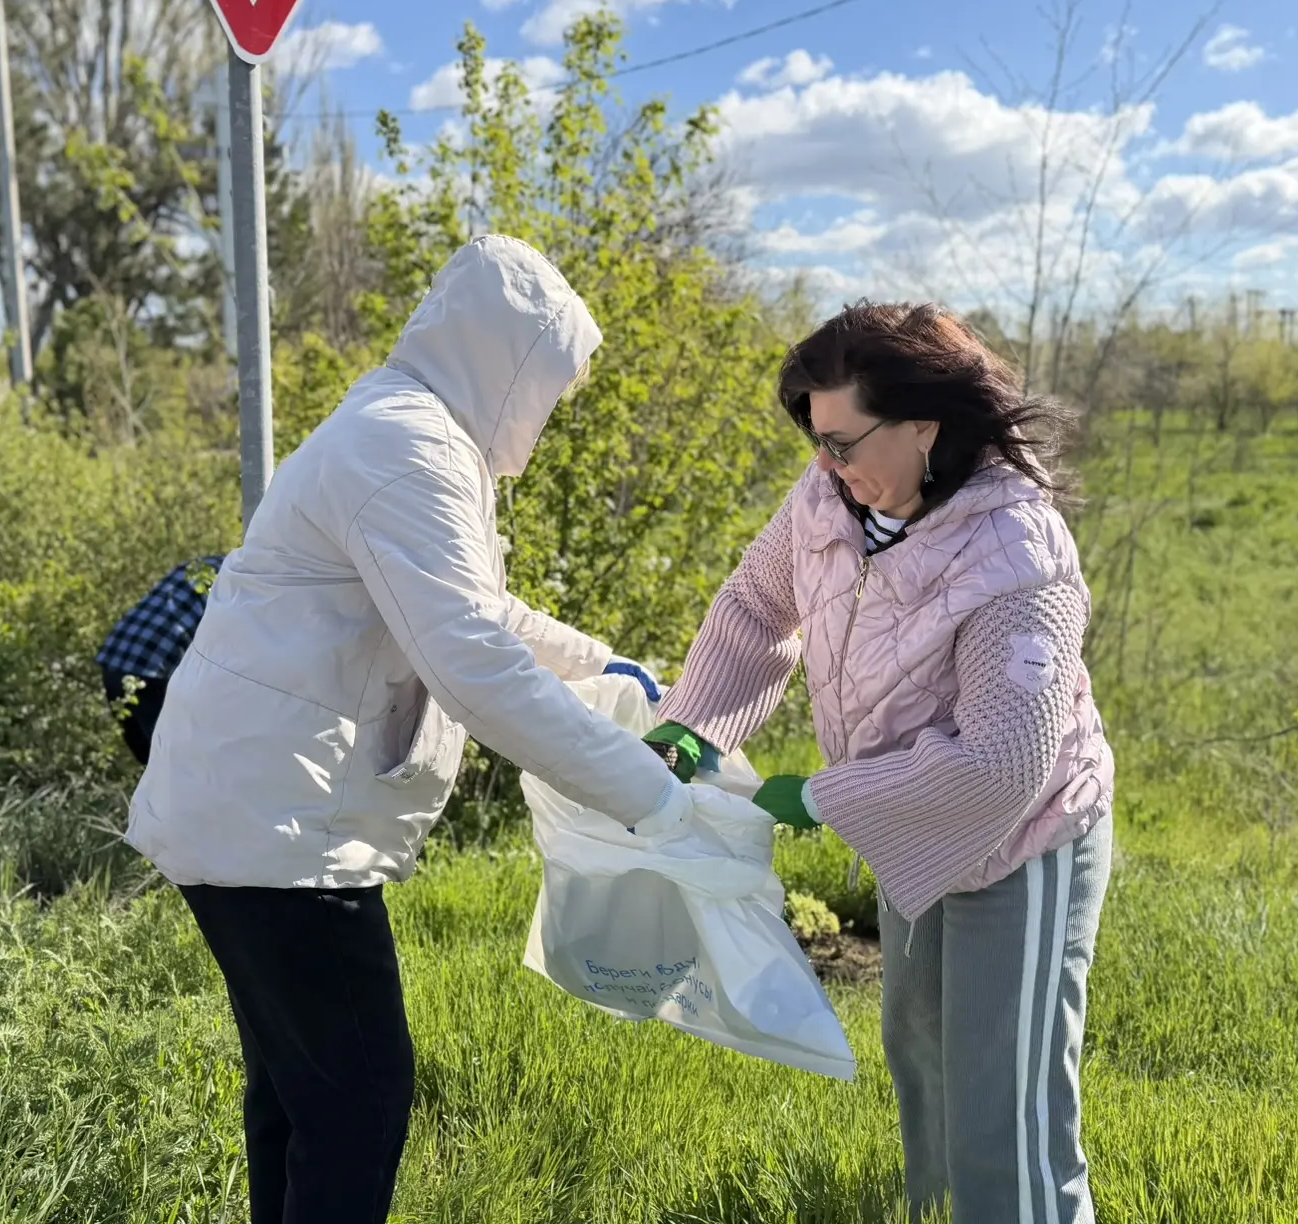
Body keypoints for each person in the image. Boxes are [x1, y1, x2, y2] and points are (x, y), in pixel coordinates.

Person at [125, 234, 691, 1224]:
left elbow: (476, 609)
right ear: (507, 362)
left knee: (301, 1102)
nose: (551, 411)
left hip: (253, 813)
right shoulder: (409, 450)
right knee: (359, 1103)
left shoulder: (409, 432)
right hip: (281, 833)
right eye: (551, 386)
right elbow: (473, 662)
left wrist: (599, 664)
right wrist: (653, 797)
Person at [645, 302, 1114, 1224]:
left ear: (924, 427)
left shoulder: (1017, 553)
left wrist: (821, 798)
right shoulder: (830, 498)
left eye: (842, 442)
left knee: (1001, 1103)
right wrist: (694, 724)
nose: (826, 464)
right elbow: (756, 605)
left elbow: (1003, 763)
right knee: (923, 1053)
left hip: (1027, 836)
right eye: (815, 441)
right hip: (911, 822)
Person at [96, 554, 224, 765]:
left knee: (155, 764)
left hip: (115, 660)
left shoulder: (201, 565)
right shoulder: (246, 584)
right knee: (180, 767)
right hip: (153, 669)